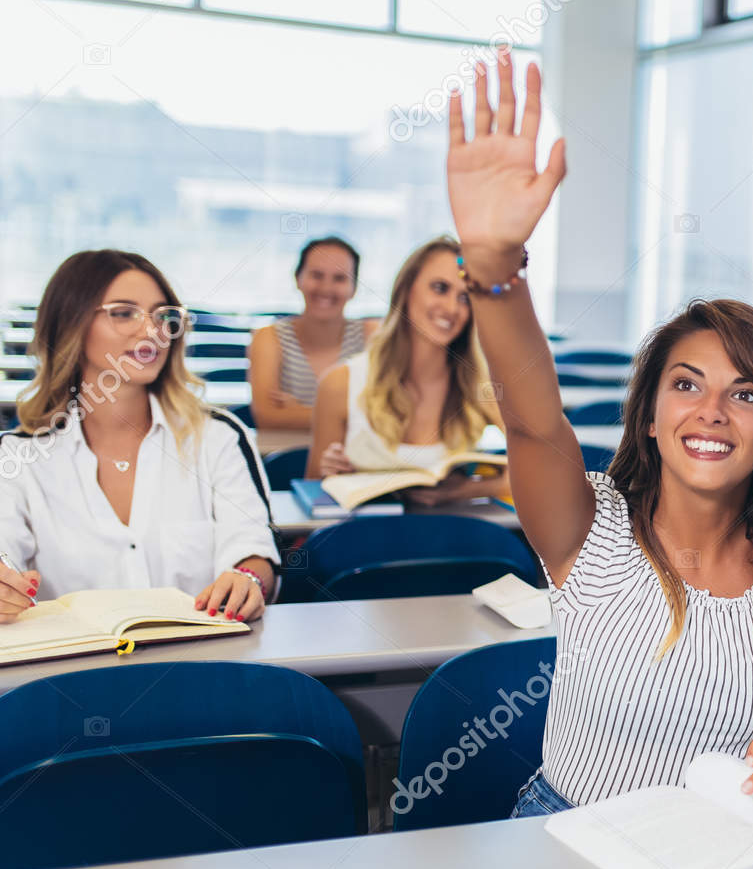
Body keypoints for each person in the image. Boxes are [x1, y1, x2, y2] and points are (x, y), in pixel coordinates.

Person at [444, 49, 753, 814]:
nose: (710, 411)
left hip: (730, 857)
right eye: (686, 385)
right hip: (570, 836)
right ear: (649, 415)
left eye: (744, 394)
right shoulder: (591, 527)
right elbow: (533, 419)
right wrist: (493, 264)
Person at [0, 250, 278, 623]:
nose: (153, 331)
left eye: (164, 316)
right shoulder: (18, 458)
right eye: (123, 313)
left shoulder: (218, 437)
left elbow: (253, 548)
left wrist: (248, 579)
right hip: (71, 677)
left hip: (206, 668)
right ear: (71, 324)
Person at [306, 236, 510, 507]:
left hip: (453, 541)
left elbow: (546, 469)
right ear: (406, 289)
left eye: (465, 298)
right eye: (440, 288)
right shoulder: (340, 383)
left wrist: (464, 490)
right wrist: (332, 474)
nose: (452, 308)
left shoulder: (481, 385)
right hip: (368, 541)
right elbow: (312, 494)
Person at [247, 236, 378, 433]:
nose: (326, 288)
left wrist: (300, 411)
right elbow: (267, 417)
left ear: (354, 288)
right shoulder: (268, 338)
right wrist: (352, 414)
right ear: (298, 279)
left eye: (340, 278)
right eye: (316, 275)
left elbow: (385, 416)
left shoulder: (373, 336)